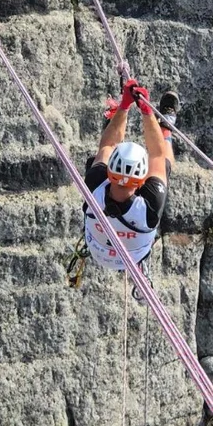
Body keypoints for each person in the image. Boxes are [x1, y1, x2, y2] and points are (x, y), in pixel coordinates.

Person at [66, 78, 180, 297]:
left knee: (101, 153)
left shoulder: (97, 184)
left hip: (100, 250)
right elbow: (156, 154)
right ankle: (165, 128)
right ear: (142, 180)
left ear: (110, 171)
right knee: (165, 163)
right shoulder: (148, 204)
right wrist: (147, 111)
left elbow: (109, 146)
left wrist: (126, 105)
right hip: (130, 255)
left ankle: (116, 119)